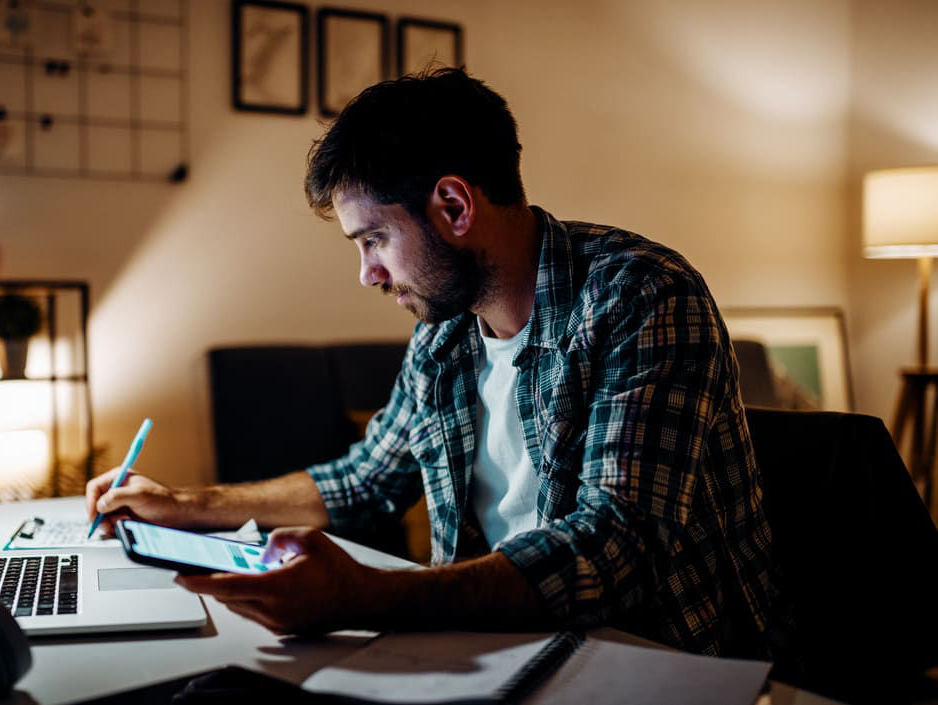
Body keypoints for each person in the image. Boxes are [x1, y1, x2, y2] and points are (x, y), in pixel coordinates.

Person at [86, 67, 788, 660]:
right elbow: (364, 479)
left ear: (454, 205)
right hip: (494, 648)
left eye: (375, 239)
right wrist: (185, 506)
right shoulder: (443, 336)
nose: (368, 273)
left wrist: (368, 594)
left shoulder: (641, 295)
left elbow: (615, 546)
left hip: (648, 661)